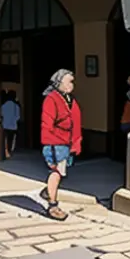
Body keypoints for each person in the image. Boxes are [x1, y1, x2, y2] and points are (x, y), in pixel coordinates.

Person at [38, 69, 81, 222]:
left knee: (61, 173)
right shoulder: (52, 99)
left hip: (67, 142)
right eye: (69, 81)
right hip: (56, 142)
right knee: (56, 172)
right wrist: (51, 144)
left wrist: (76, 142)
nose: (72, 85)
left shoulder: (69, 99)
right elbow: (47, 124)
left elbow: (75, 122)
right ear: (59, 83)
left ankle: (48, 191)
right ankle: (52, 205)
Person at [0, 90, 21, 158]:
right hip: (13, 126)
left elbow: (2, 114)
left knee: (5, 139)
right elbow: (18, 116)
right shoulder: (16, 106)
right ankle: (10, 151)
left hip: (5, 125)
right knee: (11, 140)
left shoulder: (3, 105)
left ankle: (6, 152)